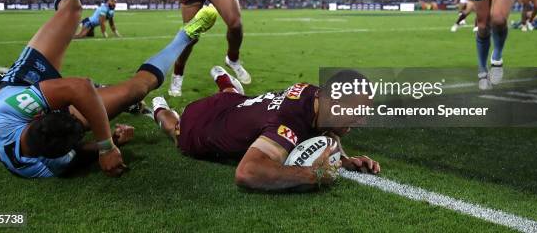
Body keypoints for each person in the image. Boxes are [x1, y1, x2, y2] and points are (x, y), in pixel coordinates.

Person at [0, 0, 218, 178]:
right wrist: (108, 143)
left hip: (22, 84)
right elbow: (76, 155)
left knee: (72, 11)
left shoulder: (5, 111)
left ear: (38, 116)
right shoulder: (43, 167)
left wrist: (106, 146)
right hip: (38, 116)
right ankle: (187, 35)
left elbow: (79, 87)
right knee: (137, 90)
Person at [150, 67, 381, 191]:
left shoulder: (314, 94)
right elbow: (247, 172)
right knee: (176, 131)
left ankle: (225, 82)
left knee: (234, 98)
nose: (361, 120)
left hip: (238, 106)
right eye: (357, 112)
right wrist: (314, 174)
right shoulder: (287, 122)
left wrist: (345, 160)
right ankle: (158, 108)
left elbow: (326, 130)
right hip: (202, 124)